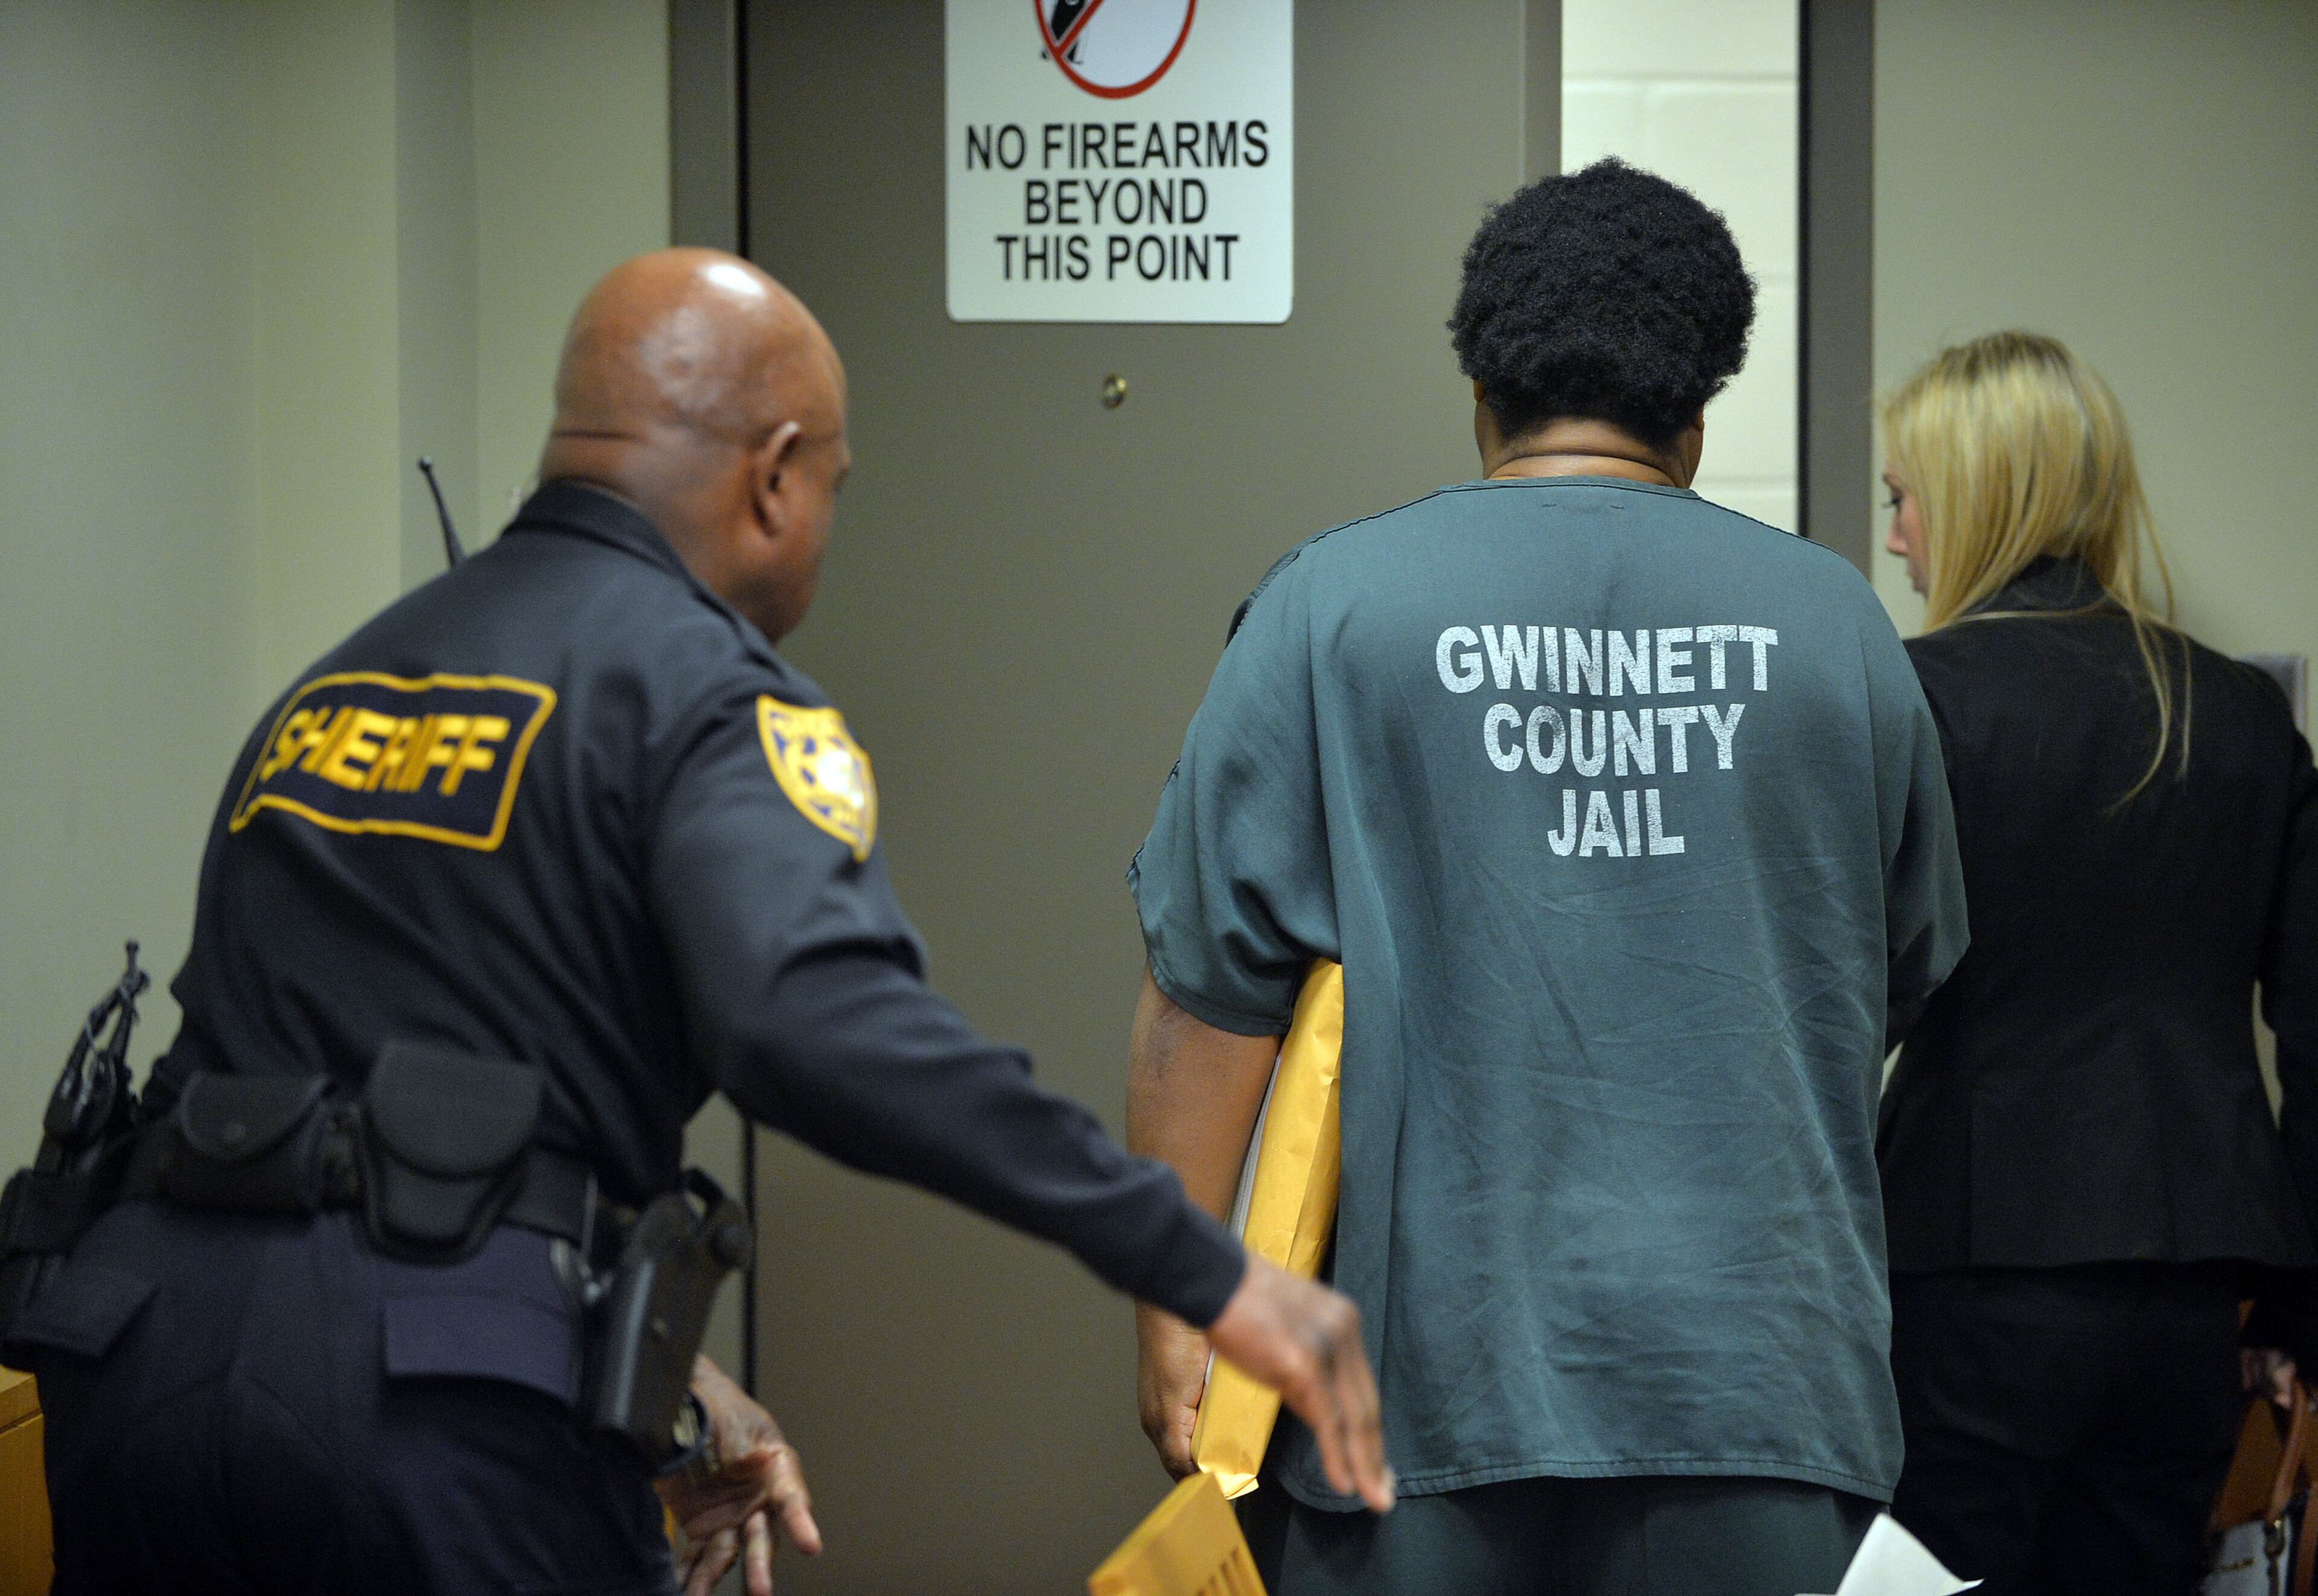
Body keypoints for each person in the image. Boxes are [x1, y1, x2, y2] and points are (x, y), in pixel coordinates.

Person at [1, 248, 1391, 1596]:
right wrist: (1205, 1264)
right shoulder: (713, 695)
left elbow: (317, 1127)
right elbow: (822, 1029)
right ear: (776, 475)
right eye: (833, 488)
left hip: (141, 1379)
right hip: (431, 1428)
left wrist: (671, 1379)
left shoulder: (335, 690)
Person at [1124, 158, 1968, 1596]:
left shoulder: (1329, 607)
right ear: (1697, 420)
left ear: (1482, 398)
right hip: (1765, 1405)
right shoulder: (1840, 628)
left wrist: (1176, 1299)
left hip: (1413, 1407)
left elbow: (1203, 1004)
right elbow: (1895, 971)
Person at [1876, 331, 2318, 1596]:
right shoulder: (2241, 714)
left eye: (1903, 498)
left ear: (1972, 495)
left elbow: (1833, 1002)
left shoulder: (1919, 702)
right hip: (2192, 1295)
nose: (1900, 538)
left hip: (1966, 1273)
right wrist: (2295, 1309)